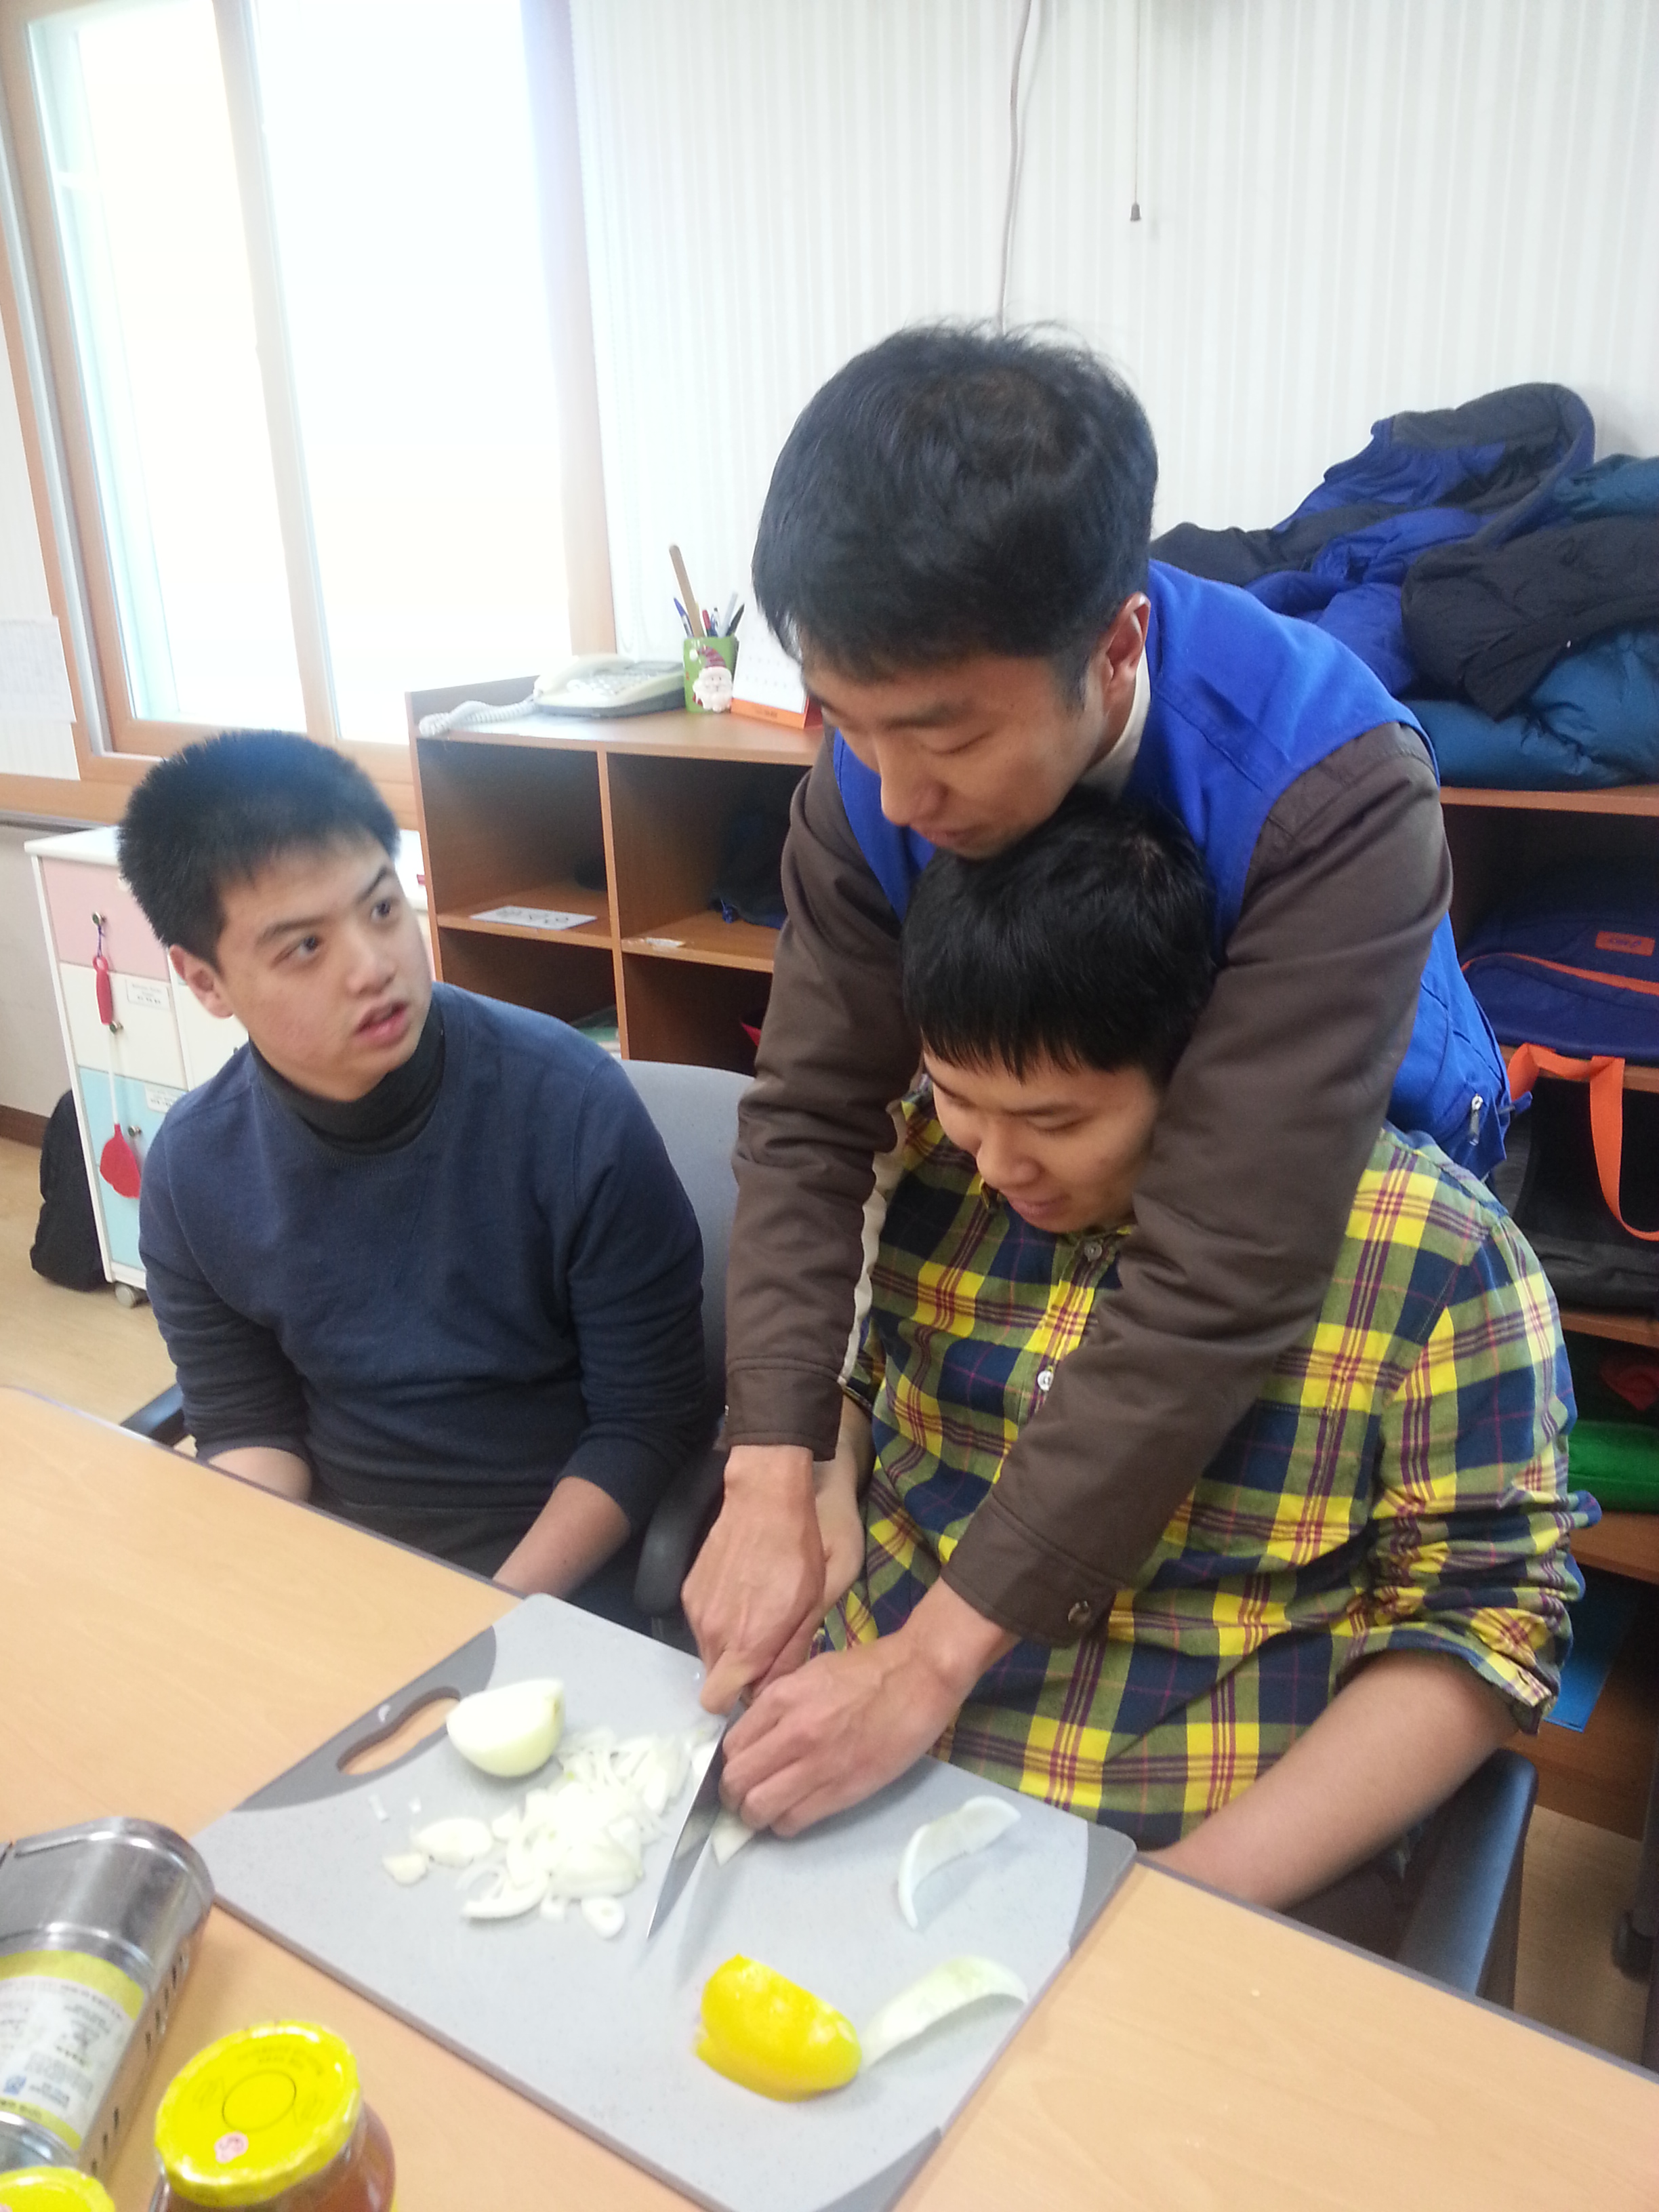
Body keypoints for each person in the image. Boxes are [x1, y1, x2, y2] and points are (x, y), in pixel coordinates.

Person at [687, 325, 1510, 1729]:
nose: (894, 796)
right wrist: (773, 1462)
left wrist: (934, 1661)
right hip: (1103, 1191)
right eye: (848, 723)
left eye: (946, 741)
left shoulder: (1336, 791)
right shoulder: (873, 778)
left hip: (1343, 1191)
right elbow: (813, 1119)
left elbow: (1225, 1268)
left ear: (1117, 644)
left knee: (1258, 1558)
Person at [720, 792, 1589, 1920]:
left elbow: (1491, 1622)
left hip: (1181, 1856)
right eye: (962, 1099)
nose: (997, 1165)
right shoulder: (930, 1165)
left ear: (1199, 1066)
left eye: (1057, 1123)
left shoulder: (1438, 1260)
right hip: (859, 1794)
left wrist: (1177, 1905)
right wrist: (819, 1475)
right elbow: (855, 1370)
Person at [120, 731, 706, 1605]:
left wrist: (484, 1616)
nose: (373, 968)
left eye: (383, 909)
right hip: (344, 1563)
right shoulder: (193, 1166)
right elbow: (250, 1426)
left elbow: (646, 1423)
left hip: (558, 1574)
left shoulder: (572, 1106)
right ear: (205, 981)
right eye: (305, 948)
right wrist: (262, 1582)